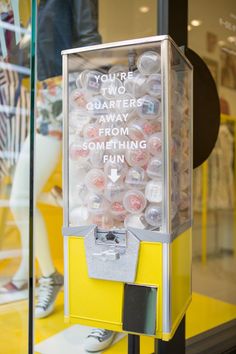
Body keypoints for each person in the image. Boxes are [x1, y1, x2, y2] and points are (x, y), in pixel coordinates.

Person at [0, 0, 115, 351]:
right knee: (22, 198)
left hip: (74, 92)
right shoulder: (30, 6)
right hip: (46, 98)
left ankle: (106, 313)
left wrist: (92, 101)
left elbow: (87, 34)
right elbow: (26, 60)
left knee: (95, 207)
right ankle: (48, 276)